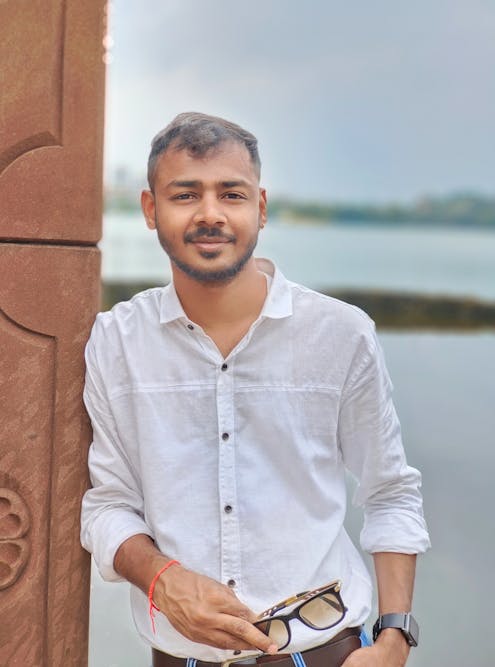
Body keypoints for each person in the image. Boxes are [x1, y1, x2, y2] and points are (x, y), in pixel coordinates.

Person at [81, 112, 430, 667]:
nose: (210, 214)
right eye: (185, 194)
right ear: (150, 210)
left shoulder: (340, 334)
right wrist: (161, 578)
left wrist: (394, 641)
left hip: (329, 651)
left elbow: (389, 491)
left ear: (261, 208)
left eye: (232, 194)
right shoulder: (116, 341)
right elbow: (108, 504)